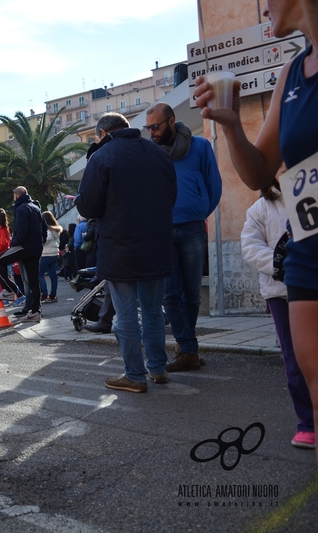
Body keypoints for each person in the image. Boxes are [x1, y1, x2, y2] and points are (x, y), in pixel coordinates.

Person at [195, 1, 318, 460]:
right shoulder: (291, 73)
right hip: (309, 247)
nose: (263, 8)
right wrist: (230, 128)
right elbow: (261, 173)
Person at [76, 112, 177, 393]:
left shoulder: (103, 156)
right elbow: (171, 197)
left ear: (103, 133)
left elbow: (88, 207)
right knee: (154, 311)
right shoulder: (158, 153)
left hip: (120, 247)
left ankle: (134, 374)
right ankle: (157, 368)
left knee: (126, 314)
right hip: (156, 245)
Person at [144, 103, 222, 372]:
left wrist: (198, 211)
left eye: (155, 126)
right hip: (162, 229)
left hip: (192, 228)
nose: (151, 132)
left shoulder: (200, 147)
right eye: (148, 128)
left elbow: (214, 186)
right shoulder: (151, 154)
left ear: (172, 122)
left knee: (192, 293)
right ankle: (188, 348)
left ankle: (186, 349)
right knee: (169, 294)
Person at [241, 180, 314, 449]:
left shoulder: (311, 195)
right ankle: (307, 423)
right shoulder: (260, 208)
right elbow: (249, 245)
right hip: (280, 291)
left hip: (312, 286)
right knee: (293, 357)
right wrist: (278, 263)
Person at [0, 187, 46, 323]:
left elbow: (21, 230)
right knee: (33, 280)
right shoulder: (35, 207)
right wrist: (41, 243)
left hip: (24, 246)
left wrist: (14, 243)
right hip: (36, 248)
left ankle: (9, 290)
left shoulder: (22, 208)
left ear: (16, 195)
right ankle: (35, 311)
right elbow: (44, 228)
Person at [39, 211, 62, 304]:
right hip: (54, 254)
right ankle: (53, 295)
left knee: (40, 275)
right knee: (53, 276)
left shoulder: (47, 230)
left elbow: (45, 240)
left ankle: (45, 294)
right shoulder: (56, 230)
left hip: (45, 254)